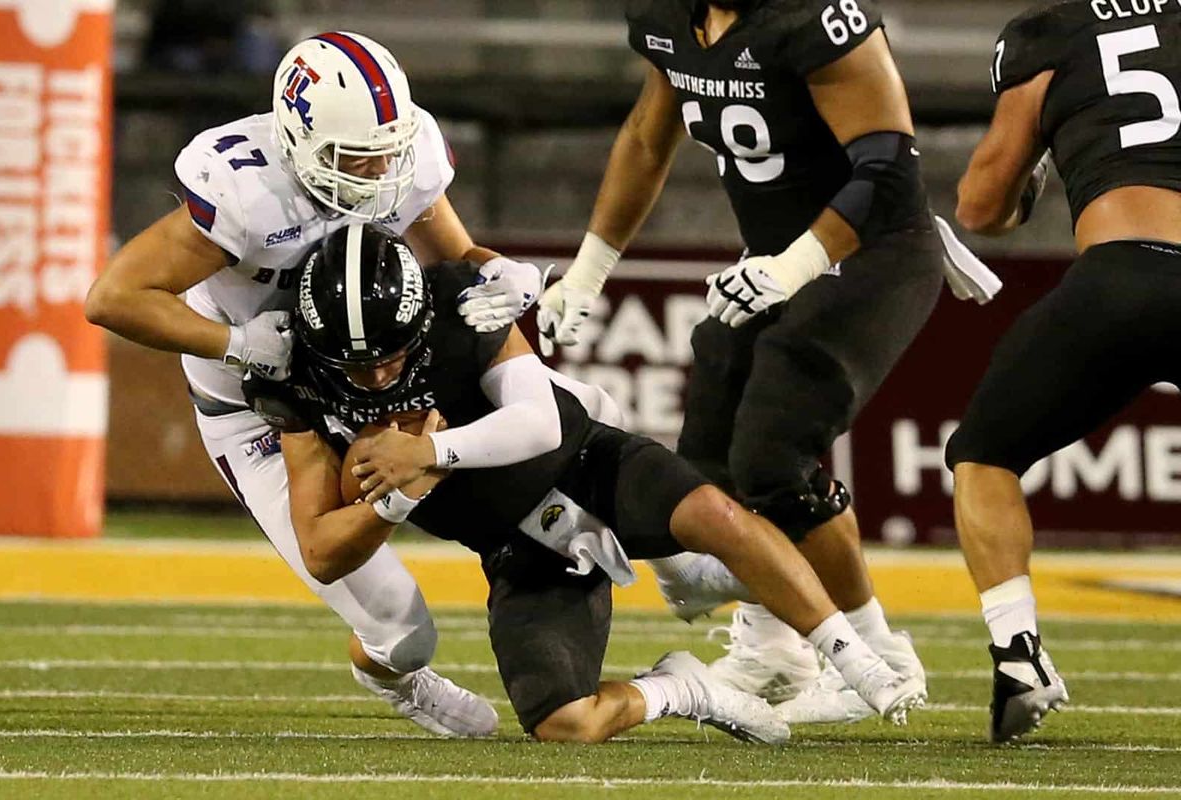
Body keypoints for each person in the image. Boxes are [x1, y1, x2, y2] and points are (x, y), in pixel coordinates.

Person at [246, 223, 927, 743]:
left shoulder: (458, 303)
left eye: (392, 355)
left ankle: (858, 660)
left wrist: (433, 452)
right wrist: (400, 493)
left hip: (585, 464)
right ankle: (684, 689)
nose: (376, 378)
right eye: (354, 365)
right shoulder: (294, 379)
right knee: (563, 724)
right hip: (518, 545)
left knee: (718, 519)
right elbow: (322, 550)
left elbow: (539, 424)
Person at [85, 32, 548, 736]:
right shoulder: (246, 191)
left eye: (386, 150)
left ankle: (656, 541)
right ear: (298, 140)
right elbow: (113, 297)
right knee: (402, 629)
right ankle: (395, 678)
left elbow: (457, 253)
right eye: (355, 155)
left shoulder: (406, 156)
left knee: (545, 418)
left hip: (374, 379)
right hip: (264, 402)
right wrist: (235, 341)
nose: (376, 170)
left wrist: (500, 271)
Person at [535, 0, 939, 720]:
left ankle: (876, 653)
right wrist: (589, 271)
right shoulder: (671, 20)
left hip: (875, 255)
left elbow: (887, 163)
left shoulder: (815, 19)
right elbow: (645, 140)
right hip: (775, 261)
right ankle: (774, 648)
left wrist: (792, 268)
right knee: (707, 465)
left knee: (774, 458)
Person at [948, 0, 1181, 742]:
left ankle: (1019, 652)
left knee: (983, 458)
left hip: (1119, 275)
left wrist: (1036, 179)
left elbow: (982, 205)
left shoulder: (1051, 31)